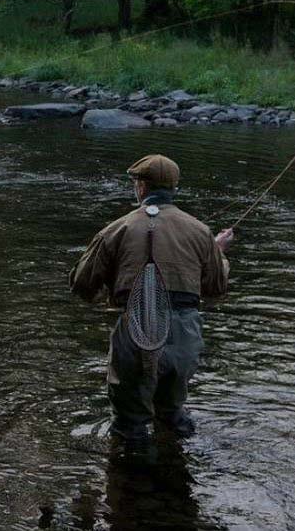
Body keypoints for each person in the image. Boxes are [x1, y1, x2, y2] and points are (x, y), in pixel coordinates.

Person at [69, 154, 233, 444]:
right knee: (172, 414)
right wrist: (216, 251)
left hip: (135, 329)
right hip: (184, 331)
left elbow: (82, 286)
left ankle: (130, 480)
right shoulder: (200, 231)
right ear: (174, 187)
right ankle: (176, 476)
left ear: (141, 187)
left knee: (129, 425)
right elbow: (217, 288)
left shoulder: (116, 229)